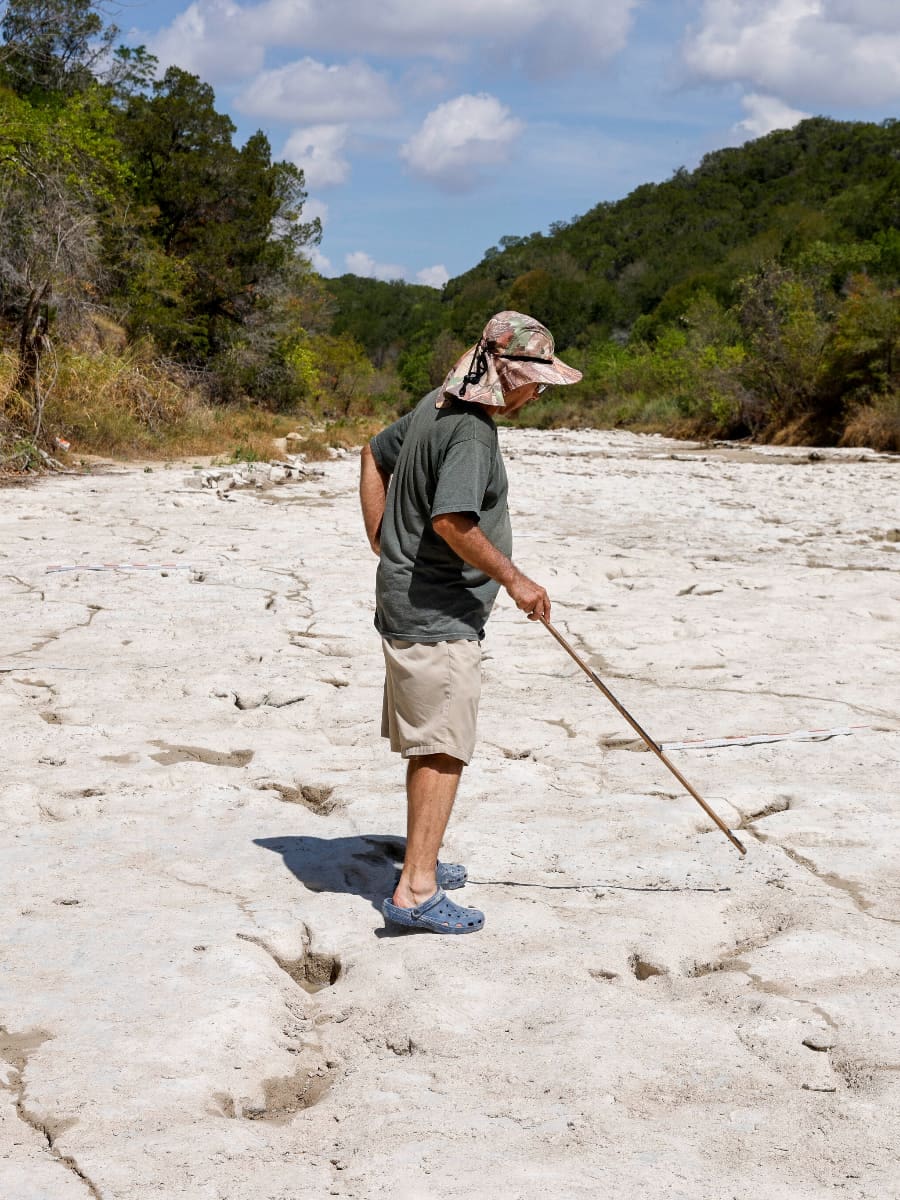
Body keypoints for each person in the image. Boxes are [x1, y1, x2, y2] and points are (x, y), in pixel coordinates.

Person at [359, 311, 582, 934]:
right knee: (442, 749)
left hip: (411, 603)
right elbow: (451, 522)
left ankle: (418, 861)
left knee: (434, 742)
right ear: (507, 374)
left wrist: (381, 539)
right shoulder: (472, 435)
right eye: (536, 381)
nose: (539, 394)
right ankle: (415, 892)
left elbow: (372, 454)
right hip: (436, 613)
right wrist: (517, 580)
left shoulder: (437, 404)